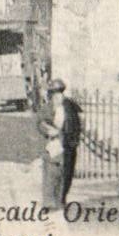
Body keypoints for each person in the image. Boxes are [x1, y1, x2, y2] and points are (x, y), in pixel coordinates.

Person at [39, 78, 82, 208]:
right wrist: (48, 130)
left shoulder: (70, 106)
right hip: (54, 144)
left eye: (59, 93)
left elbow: (78, 124)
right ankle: (49, 202)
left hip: (68, 144)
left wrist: (74, 139)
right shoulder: (47, 107)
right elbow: (41, 122)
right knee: (51, 172)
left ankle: (61, 199)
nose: (57, 97)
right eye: (54, 94)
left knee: (67, 173)